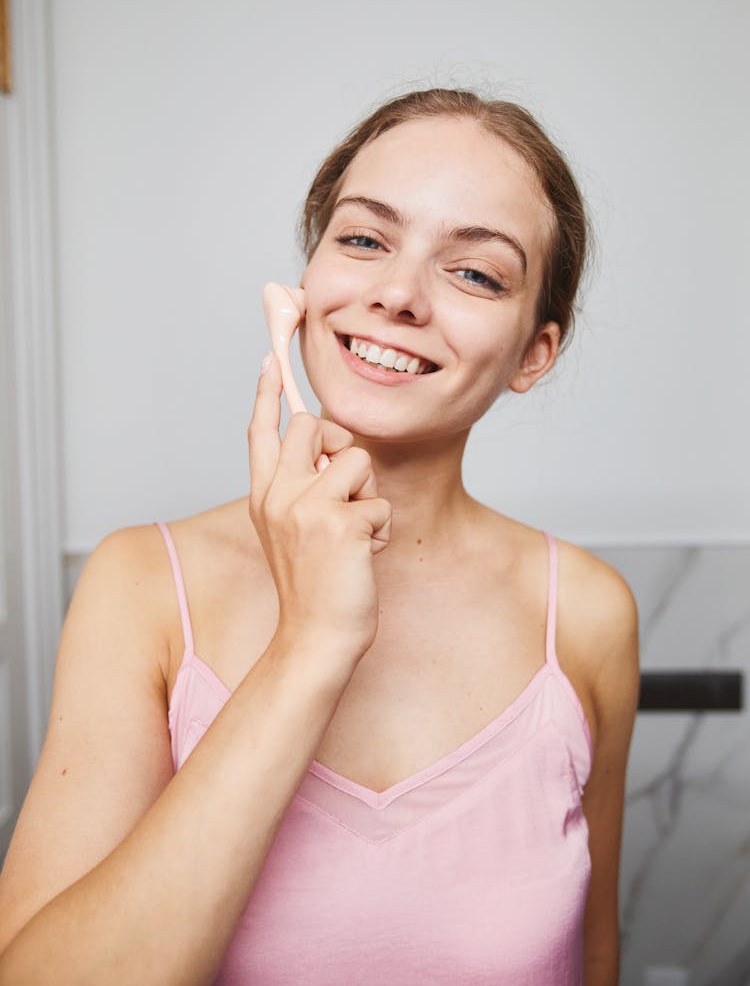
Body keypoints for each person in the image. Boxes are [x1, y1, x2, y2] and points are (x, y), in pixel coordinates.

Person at [0, 88, 640, 985]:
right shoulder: (140, 585)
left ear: (535, 351)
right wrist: (310, 645)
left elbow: (594, 957)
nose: (396, 294)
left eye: (475, 273)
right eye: (365, 238)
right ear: (308, 276)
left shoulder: (585, 613)